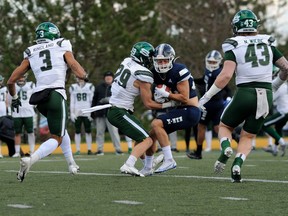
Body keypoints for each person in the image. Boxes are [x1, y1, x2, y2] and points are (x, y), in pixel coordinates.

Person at [198, 10, 288, 183]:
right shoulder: (267, 41)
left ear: (236, 26)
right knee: (248, 136)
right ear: (255, 24)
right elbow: (286, 68)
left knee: (224, 126)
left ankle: (226, 148)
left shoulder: (233, 44)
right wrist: (274, 86)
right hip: (266, 96)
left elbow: (225, 76)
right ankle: (238, 164)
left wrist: (206, 97)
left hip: (245, 93)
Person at [7, 22, 88, 182]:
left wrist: (15, 97)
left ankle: (71, 163)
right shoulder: (61, 43)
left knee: (61, 130)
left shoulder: (31, 51)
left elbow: (11, 80)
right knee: (56, 137)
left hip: (39, 99)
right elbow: (72, 63)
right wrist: (82, 75)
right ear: (53, 34)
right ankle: (31, 160)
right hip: (56, 94)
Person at [107, 41, 177, 176]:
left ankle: (147, 166)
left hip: (117, 109)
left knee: (144, 138)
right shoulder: (143, 74)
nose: (152, 61)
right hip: (119, 111)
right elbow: (149, 104)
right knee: (148, 140)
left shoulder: (127, 61)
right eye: (150, 58)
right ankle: (128, 164)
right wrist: (169, 103)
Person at [143, 43, 201, 174]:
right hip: (178, 109)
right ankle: (148, 167)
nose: (162, 64)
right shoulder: (154, 72)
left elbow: (185, 98)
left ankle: (169, 159)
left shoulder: (179, 70)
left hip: (190, 110)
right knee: (151, 136)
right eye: (159, 61)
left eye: (165, 60)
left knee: (156, 123)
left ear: (171, 59)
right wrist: (164, 100)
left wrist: (167, 95)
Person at [187, 50, 231, 159]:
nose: (211, 64)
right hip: (218, 103)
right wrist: (192, 79)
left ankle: (198, 152)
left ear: (219, 62)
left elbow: (225, 87)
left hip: (210, 103)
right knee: (218, 128)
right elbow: (204, 80)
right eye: (210, 62)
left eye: (213, 62)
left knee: (201, 126)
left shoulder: (216, 73)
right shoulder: (210, 71)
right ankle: (234, 140)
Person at [91, 71, 123, 155]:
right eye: (106, 77)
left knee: (114, 132)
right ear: (104, 78)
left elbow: (120, 100)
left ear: (113, 78)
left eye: (110, 77)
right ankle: (100, 149)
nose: (108, 78)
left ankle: (118, 149)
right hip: (100, 114)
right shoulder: (99, 87)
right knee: (99, 132)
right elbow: (94, 100)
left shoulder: (116, 87)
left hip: (112, 113)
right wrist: (92, 111)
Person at [262, 66, 288, 156]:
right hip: (284, 112)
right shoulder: (284, 85)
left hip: (283, 112)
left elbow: (270, 98)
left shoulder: (280, 87)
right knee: (278, 128)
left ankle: (282, 143)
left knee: (263, 125)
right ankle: (275, 149)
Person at [10, 74, 36, 158]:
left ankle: (32, 151)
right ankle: (17, 152)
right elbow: (9, 99)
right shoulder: (13, 86)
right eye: (19, 77)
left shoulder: (31, 85)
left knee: (30, 132)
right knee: (17, 133)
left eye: (22, 77)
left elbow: (35, 96)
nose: (21, 79)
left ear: (25, 78)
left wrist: (35, 105)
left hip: (29, 112)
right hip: (17, 113)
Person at [69, 76, 94, 155]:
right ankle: (78, 149)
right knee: (77, 131)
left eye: (81, 78)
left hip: (87, 112)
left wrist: (91, 112)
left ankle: (89, 149)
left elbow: (91, 101)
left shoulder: (90, 86)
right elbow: (72, 101)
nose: (80, 79)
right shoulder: (73, 87)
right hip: (77, 112)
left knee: (88, 131)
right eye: (79, 78)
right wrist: (72, 113)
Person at [0, 75, 9, 158]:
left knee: (2, 133)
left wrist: (7, 111)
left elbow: (7, 101)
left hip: (3, 113)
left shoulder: (4, 89)